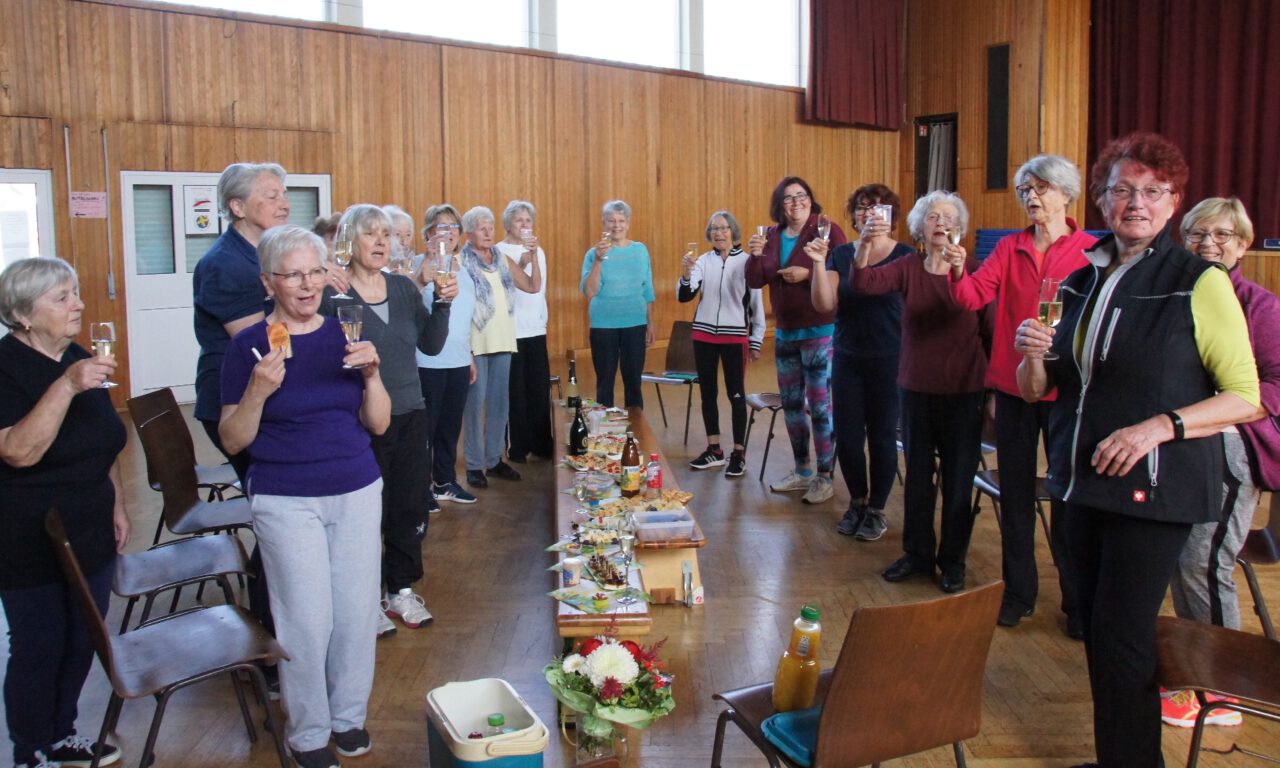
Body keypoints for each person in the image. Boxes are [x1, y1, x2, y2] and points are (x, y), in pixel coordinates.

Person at [1014, 132, 1259, 768]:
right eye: (1123, 189)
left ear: (1174, 203)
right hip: (1081, 483)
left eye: (1153, 191)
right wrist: (1032, 356)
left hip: (1156, 489)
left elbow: (1245, 397)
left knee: (1122, 638)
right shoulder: (1080, 280)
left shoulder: (1199, 281)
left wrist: (1157, 427)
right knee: (1101, 635)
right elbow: (1041, 388)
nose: (1137, 203)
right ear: (1101, 199)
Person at [219, 225, 389, 768]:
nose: (308, 284)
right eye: (293, 275)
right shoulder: (247, 345)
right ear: (268, 282)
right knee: (306, 619)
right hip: (286, 496)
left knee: (357, 612)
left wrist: (373, 376)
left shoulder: (346, 332)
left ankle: (348, 716)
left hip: (356, 486)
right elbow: (233, 439)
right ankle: (309, 732)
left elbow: (379, 424)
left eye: (315, 272)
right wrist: (258, 390)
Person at [948, 154, 1095, 633]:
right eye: (1024, 191)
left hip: (1067, 392)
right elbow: (971, 298)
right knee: (1014, 496)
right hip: (1013, 389)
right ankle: (1018, 593)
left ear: (1066, 194)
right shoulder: (1009, 247)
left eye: (1040, 188)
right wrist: (957, 270)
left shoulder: (1092, 251)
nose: (1031, 197)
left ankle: (1077, 602)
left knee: (1068, 497)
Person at [0, 258, 128, 768]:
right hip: (29, 533)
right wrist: (68, 386)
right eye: (62, 297)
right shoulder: (7, 368)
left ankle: (61, 734)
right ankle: (30, 747)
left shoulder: (75, 354)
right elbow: (18, 452)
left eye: (75, 292)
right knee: (40, 644)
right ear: (22, 314)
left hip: (90, 524)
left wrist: (118, 502)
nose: (78, 304)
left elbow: (104, 438)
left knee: (82, 637)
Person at [1161, 197, 1280, 728]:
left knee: (1202, 563)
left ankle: (1221, 693)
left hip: (1234, 447)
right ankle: (1195, 672)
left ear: (1243, 244)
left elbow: (1276, 384)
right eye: (1196, 234)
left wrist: (1217, 411)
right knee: (1179, 560)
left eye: (1222, 235)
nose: (1208, 244)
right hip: (1180, 447)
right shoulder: (1176, 296)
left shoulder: (1260, 306)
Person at [834, 191, 990, 594]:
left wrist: (991, 395)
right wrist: (864, 244)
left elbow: (990, 333)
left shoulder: (977, 269)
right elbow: (864, 282)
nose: (941, 223)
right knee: (919, 478)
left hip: (964, 390)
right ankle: (918, 555)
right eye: (933, 216)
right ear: (920, 228)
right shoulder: (908, 266)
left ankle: (952, 562)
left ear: (960, 227)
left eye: (949, 217)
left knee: (958, 481)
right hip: (917, 388)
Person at [320, 205, 453, 639]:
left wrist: (444, 303)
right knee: (364, 515)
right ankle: (365, 597)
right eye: (370, 234)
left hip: (411, 411)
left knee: (408, 506)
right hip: (359, 421)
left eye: (385, 235)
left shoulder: (402, 288)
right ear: (350, 241)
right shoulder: (333, 296)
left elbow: (431, 346)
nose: (381, 242)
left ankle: (400, 590)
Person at [811, 184, 913, 540]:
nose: (868, 213)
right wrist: (817, 263)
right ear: (854, 216)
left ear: (890, 216)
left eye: (877, 208)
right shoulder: (841, 254)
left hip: (891, 359)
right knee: (849, 436)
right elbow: (824, 304)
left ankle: (877, 509)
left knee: (883, 437)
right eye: (862, 208)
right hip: (848, 357)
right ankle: (857, 502)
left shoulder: (905, 255)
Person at [746, 176, 847, 504]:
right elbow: (755, 280)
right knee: (791, 405)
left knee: (819, 407)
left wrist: (808, 274)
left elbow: (842, 270)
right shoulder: (772, 235)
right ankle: (802, 470)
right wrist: (755, 255)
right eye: (788, 198)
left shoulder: (825, 229)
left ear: (810, 198)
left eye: (801, 195)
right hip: (786, 332)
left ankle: (824, 476)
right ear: (780, 204)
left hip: (820, 331)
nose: (796, 202)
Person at [193, 161, 291, 480]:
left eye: (284, 194)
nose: (285, 204)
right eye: (272, 196)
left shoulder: (266, 254)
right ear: (238, 207)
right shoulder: (225, 264)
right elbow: (258, 341)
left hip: (264, 390)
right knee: (273, 486)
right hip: (233, 398)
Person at [459, 206, 542, 488]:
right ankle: (474, 465)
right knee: (474, 406)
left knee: (499, 405)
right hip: (476, 343)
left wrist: (534, 257)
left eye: (490, 227)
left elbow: (532, 286)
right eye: (481, 228)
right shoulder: (460, 262)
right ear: (469, 233)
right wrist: (465, 348)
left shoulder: (502, 258)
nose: (488, 232)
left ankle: (494, 460)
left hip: (503, 340)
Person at [679, 210, 765, 477]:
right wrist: (686, 274)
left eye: (723, 228)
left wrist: (756, 340)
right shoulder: (703, 261)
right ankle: (714, 449)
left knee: (736, 394)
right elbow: (685, 296)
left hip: (735, 337)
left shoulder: (748, 262)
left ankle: (738, 453)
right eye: (714, 229)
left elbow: (756, 304)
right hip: (703, 335)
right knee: (708, 393)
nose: (719, 233)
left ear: (733, 231)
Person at [416, 204, 477, 506]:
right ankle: (420, 488)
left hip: (459, 359)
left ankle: (444, 481)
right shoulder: (418, 267)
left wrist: (470, 355)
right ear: (428, 232)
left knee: (450, 427)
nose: (449, 232)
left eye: (453, 227)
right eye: (441, 226)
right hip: (427, 361)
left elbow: (464, 318)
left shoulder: (463, 269)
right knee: (425, 429)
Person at [580, 200, 655, 408]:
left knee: (634, 385)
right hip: (603, 326)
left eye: (621, 220)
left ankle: (636, 427)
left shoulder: (640, 250)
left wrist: (650, 322)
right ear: (604, 223)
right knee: (605, 385)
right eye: (611, 220)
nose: (616, 225)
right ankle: (605, 428)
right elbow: (589, 291)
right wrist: (598, 261)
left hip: (635, 323)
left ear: (628, 223)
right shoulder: (593, 254)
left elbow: (647, 289)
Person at [496, 200, 554, 463]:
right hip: (512, 330)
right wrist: (524, 259)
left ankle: (542, 443)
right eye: (518, 219)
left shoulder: (538, 250)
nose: (524, 224)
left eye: (528, 220)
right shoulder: (499, 250)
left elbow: (538, 288)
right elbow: (510, 280)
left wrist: (533, 256)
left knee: (539, 389)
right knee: (515, 392)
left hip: (536, 328)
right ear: (508, 223)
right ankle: (517, 446)